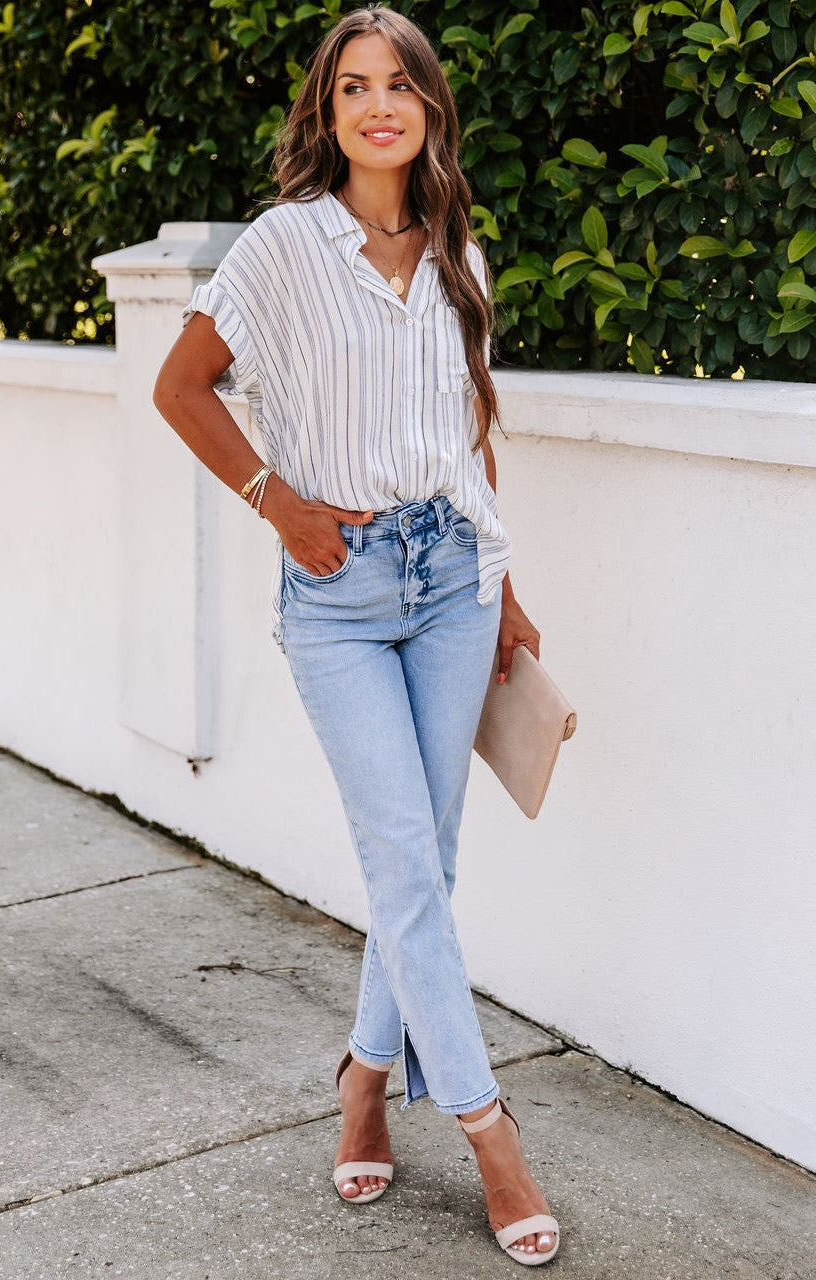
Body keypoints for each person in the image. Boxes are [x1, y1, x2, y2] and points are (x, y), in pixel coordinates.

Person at [153, 5, 559, 1267]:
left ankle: (367, 1081)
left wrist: (505, 580)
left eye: (399, 85)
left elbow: (466, 429)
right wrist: (278, 504)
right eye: (352, 89)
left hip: (451, 577)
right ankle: (492, 1133)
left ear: (429, 107)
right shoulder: (282, 247)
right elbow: (180, 387)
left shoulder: (457, 257)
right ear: (327, 116)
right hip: (334, 588)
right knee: (404, 857)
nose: (378, 106)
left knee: (421, 860)